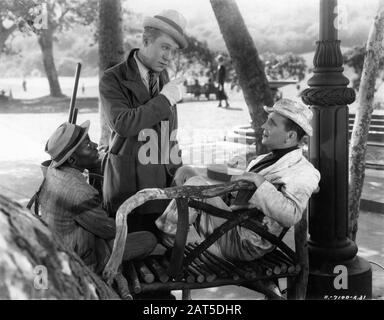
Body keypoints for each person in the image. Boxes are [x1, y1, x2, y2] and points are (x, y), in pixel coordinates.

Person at [156, 98, 320, 262]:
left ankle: (164, 240)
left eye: (272, 123)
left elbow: (290, 215)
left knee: (195, 185)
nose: (263, 126)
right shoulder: (264, 159)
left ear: (290, 136)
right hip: (231, 225)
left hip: (245, 242)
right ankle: (167, 234)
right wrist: (236, 176)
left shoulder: (303, 171)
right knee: (186, 171)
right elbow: (240, 197)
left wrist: (260, 182)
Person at [99, 9, 188, 235]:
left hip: (160, 185)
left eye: (173, 51)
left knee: (164, 259)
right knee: (128, 258)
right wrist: (166, 98)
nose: (169, 57)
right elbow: (123, 123)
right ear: (146, 41)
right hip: (127, 184)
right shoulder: (113, 78)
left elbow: (169, 132)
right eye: (165, 47)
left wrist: (179, 170)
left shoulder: (164, 78)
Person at [38, 121, 157, 275]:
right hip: (80, 259)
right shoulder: (81, 193)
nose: (95, 145)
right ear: (72, 160)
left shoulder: (53, 172)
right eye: (87, 145)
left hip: (60, 245)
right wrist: (128, 222)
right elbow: (108, 231)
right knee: (149, 238)